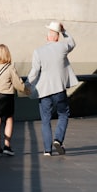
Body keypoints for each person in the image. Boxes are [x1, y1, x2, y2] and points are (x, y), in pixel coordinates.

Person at [27, 21, 77, 156]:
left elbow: (35, 71)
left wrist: (27, 85)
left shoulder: (38, 52)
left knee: (45, 120)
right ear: (58, 37)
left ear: (47, 37)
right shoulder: (62, 47)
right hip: (59, 89)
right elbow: (72, 42)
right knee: (63, 114)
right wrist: (64, 30)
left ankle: (47, 150)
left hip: (44, 91)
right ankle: (58, 139)